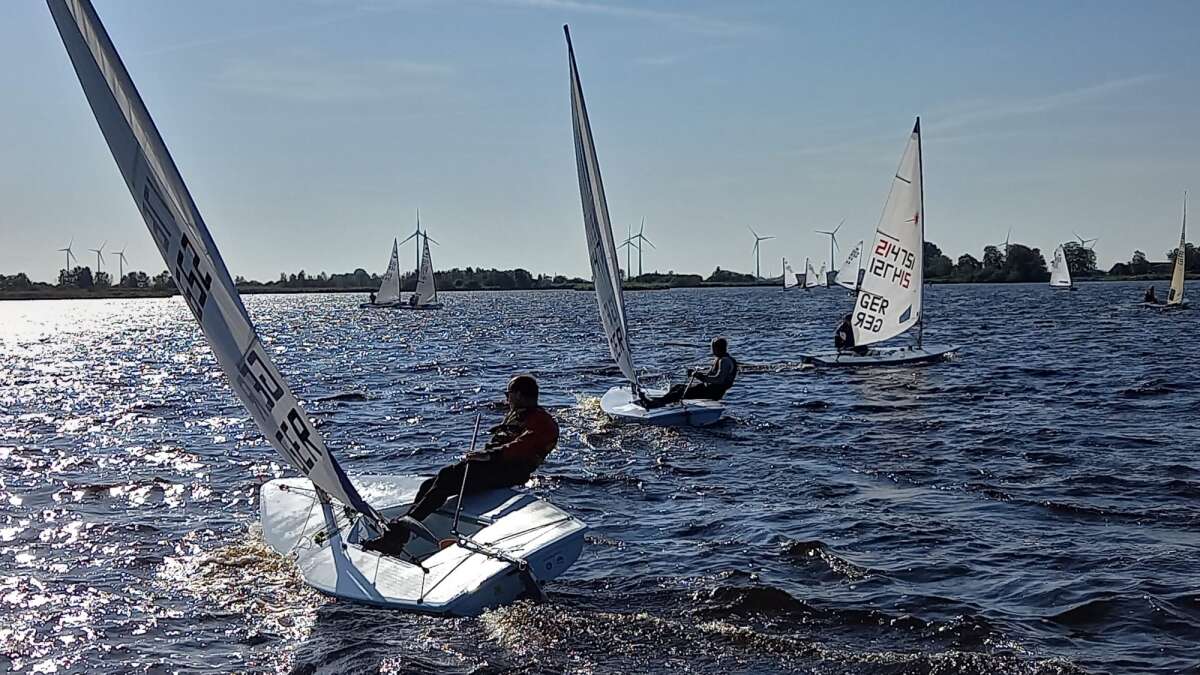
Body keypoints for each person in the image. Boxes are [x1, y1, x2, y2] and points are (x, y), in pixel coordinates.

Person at [361, 374, 558, 556]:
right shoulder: (519, 414)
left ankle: (396, 535)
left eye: (509, 394)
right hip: (494, 466)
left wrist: (488, 455)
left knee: (447, 477)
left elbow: (522, 446)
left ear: (519, 395)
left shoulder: (542, 421)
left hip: (508, 470)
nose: (507, 399)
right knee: (430, 484)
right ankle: (401, 533)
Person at [638, 337, 737, 409]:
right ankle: (661, 402)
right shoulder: (720, 359)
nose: (711, 350)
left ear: (717, 348)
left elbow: (719, 380)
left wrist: (699, 376)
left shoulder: (724, 361)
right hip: (707, 389)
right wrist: (697, 373)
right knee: (678, 387)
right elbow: (709, 375)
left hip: (712, 393)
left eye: (713, 348)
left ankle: (654, 405)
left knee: (680, 392)